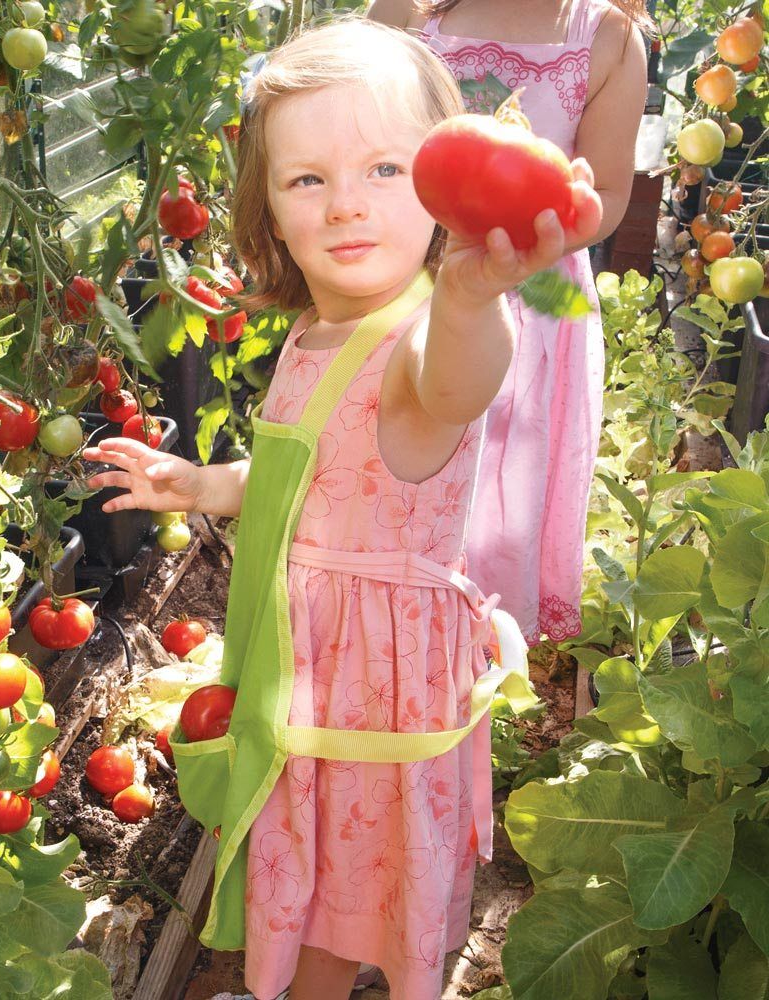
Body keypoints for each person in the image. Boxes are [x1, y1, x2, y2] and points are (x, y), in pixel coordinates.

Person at [83, 19, 601, 1000]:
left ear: (442, 190)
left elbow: (458, 383)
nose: (345, 205)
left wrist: (468, 297)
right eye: (306, 179)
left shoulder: (419, 343)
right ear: (269, 212)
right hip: (312, 679)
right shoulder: (318, 334)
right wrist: (202, 483)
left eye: (384, 169)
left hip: (369, 696)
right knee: (316, 882)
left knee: (340, 890)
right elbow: (303, 470)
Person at [368, 0, 649, 644]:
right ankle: (383, 605)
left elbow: (607, 193)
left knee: (500, 454)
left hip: (531, 284)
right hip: (412, 274)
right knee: (400, 436)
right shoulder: (410, 12)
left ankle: (475, 629)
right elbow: (358, 114)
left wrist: (561, 206)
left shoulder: (606, 39)